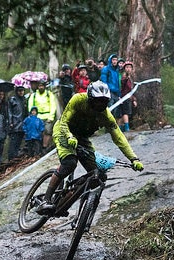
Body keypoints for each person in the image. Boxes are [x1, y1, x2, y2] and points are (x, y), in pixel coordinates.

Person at [37, 81, 144, 213]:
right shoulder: (78, 100)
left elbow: (119, 137)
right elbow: (64, 121)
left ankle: (79, 212)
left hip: (82, 138)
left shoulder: (106, 115)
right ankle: (45, 200)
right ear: (90, 98)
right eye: (98, 101)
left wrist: (133, 158)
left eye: (104, 102)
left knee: (98, 177)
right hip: (64, 131)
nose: (100, 105)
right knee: (69, 163)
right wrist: (69, 137)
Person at [27, 80, 57, 151]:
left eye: (42, 86)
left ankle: (45, 147)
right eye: (39, 86)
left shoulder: (49, 94)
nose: (41, 87)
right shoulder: (34, 95)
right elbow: (30, 106)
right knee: (38, 133)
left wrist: (51, 116)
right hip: (37, 116)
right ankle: (37, 149)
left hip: (47, 116)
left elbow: (53, 105)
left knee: (48, 131)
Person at [8, 85, 28, 160]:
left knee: (21, 142)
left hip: (23, 124)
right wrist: (10, 122)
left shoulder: (25, 99)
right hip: (15, 124)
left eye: (22, 90)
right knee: (14, 143)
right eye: (19, 91)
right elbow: (9, 112)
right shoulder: (12, 100)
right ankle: (11, 158)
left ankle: (17, 156)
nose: (21, 92)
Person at [119, 60, 136, 132]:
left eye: (130, 67)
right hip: (123, 97)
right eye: (127, 67)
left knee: (127, 113)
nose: (128, 69)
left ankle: (122, 127)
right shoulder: (123, 77)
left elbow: (132, 89)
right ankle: (126, 127)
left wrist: (134, 99)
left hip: (129, 97)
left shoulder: (131, 78)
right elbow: (122, 84)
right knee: (125, 112)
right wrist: (126, 78)